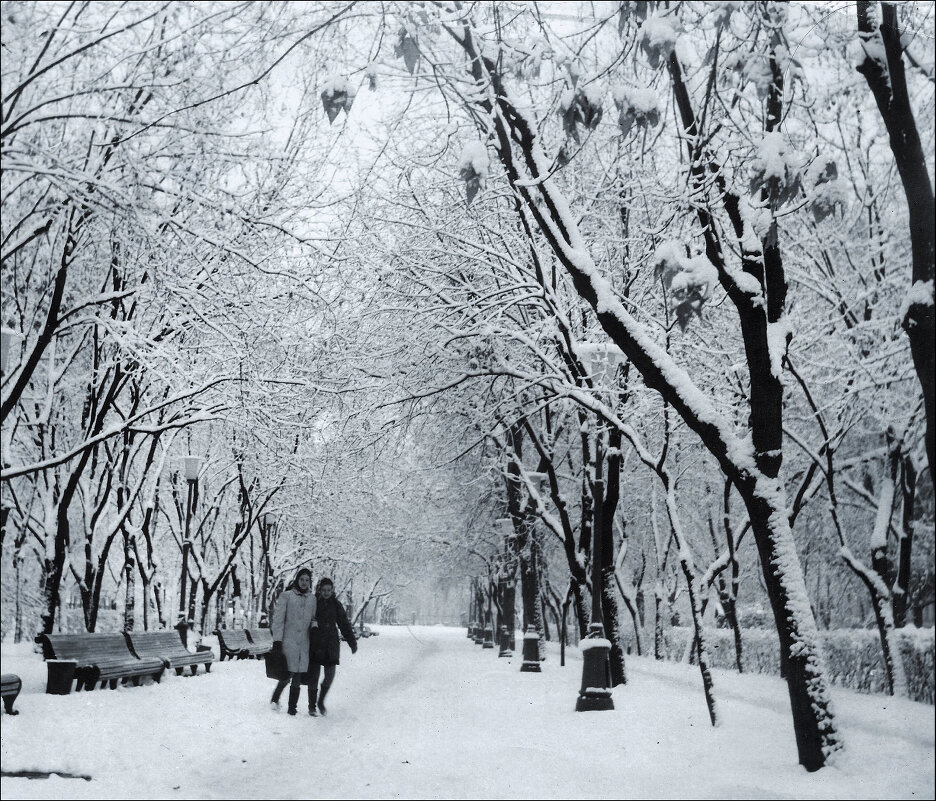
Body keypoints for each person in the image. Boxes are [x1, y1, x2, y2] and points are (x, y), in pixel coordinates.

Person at [270, 566, 318, 715]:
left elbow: (313, 618)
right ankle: (275, 698)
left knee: (298, 674)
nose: (304, 582)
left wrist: (315, 626)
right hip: (288, 642)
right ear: (297, 580)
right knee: (287, 674)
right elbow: (278, 621)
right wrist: (277, 641)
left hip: (304, 642)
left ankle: (292, 709)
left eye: (307, 580)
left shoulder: (312, 599)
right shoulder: (286, 596)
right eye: (302, 579)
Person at [307, 577, 357, 716]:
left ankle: (321, 701)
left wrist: (352, 641)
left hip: (330, 645)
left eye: (329, 590)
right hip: (316, 644)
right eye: (324, 590)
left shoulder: (336, 605)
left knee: (330, 675)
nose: (326, 592)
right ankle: (311, 706)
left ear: (332, 590)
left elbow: (344, 624)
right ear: (319, 590)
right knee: (314, 677)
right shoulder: (313, 603)